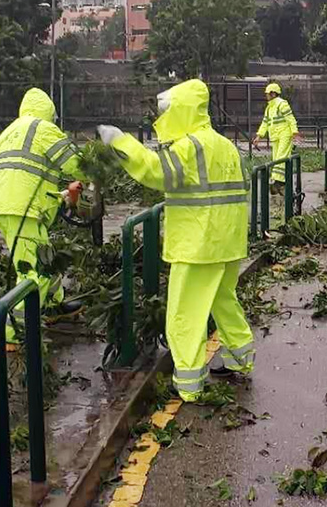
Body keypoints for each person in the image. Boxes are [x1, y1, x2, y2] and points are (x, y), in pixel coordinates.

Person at [98, 80, 253, 402]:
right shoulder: (225, 145)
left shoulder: (190, 146)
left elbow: (156, 171)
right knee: (224, 301)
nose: (162, 117)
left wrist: (121, 142)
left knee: (185, 315)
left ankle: (189, 386)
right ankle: (241, 358)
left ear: (182, 110)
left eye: (167, 110)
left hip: (198, 245)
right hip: (229, 242)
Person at [0, 88, 84, 341]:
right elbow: (76, 164)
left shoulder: (11, 130)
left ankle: (52, 306)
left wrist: (64, 196)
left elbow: (28, 179)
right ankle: (13, 333)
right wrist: (98, 167)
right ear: (49, 112)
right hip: (22, 208)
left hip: (4, 204)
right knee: (35, 272)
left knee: (46, 257)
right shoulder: (43, 128)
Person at [253, 82, 301, 193]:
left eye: (267, 94)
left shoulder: (282, 104)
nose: (266, 96)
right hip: (275, 136)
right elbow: (265, 123)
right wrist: (259, 136)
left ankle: (277, 181)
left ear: (273, 94)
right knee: (276, 160)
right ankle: (280, 182)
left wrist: (294, 132)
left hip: (284, 135)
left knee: (281, 158)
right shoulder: (269, 108)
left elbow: (290, 119)